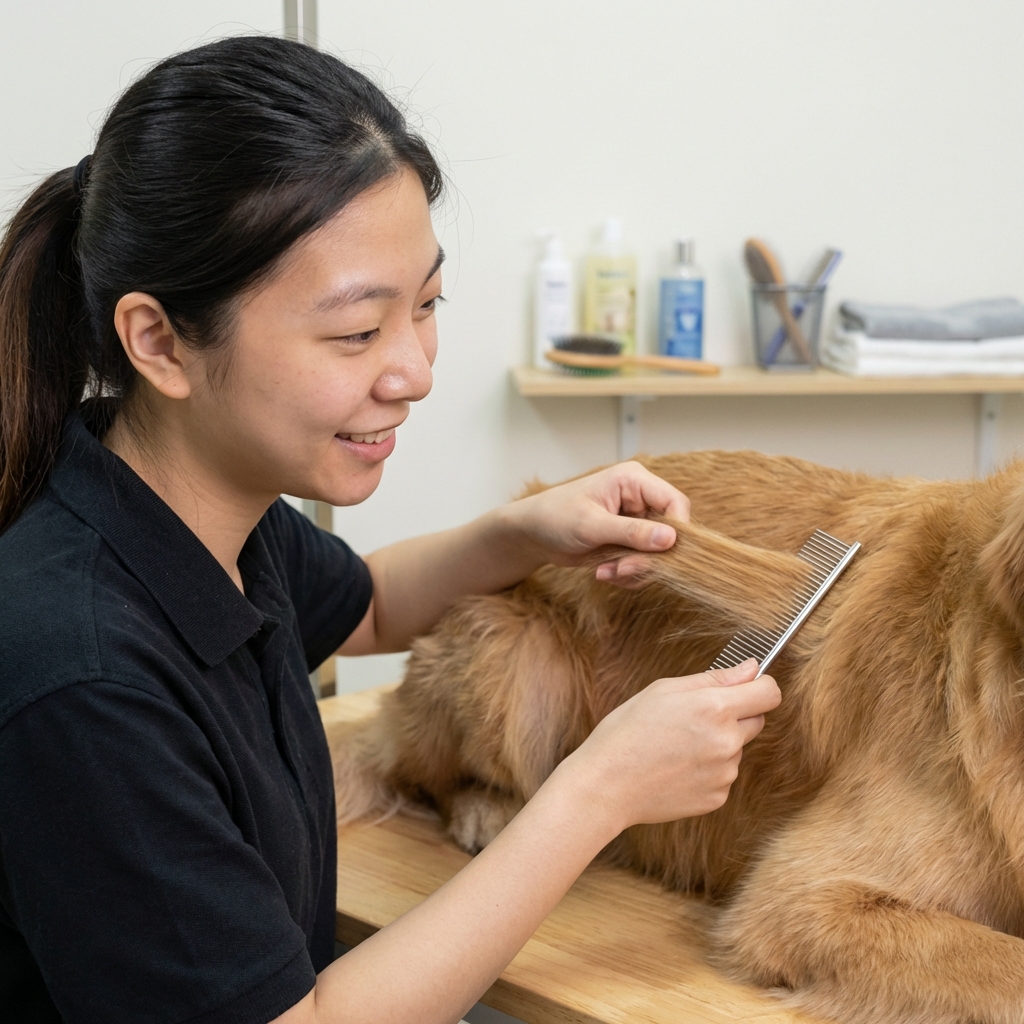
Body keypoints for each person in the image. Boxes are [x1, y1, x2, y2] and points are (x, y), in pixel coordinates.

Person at [0, 36, 781, 1024]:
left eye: (427, 305)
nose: (412, 369)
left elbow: (365, 603)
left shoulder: (183, 502)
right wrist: (597, 793)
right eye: (358, 331)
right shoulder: (85, 679)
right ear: (159, 341)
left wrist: (526, 531)